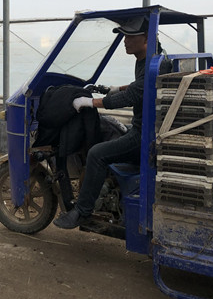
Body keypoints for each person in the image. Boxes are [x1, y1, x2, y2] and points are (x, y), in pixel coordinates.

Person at [53, 16, 150, 229]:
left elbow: (131, 96)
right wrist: (116, 88)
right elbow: (139, 87)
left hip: (143, 135)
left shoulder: (152, 64)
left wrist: (89, 102)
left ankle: (83, 211)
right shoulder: (150, 59)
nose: (125, 41)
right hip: (146, 129)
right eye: (124, 36)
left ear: (146, 37)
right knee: (113, 132)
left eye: (130, 36)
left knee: (96, 153)